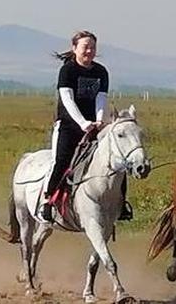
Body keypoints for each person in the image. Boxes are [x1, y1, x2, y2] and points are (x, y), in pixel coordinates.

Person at [41, 30, 133, 223]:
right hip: (69, 125)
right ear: (75, 48)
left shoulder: (101, 72)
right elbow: (67, 99)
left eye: (93, 47)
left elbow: (101, 99)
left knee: (118, 161)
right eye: (85, 47)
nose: (89, 51)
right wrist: (82, 123)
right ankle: (48, 201)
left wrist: (99, 120)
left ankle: (121, 204)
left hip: (94, 126)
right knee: (62, 160)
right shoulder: (68, 70)